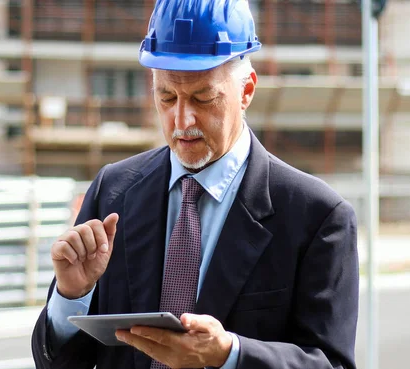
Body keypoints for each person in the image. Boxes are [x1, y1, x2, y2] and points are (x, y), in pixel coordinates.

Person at [32, 0, 359, 368]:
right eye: (167, 97)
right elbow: (59, 363)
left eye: (203, 98)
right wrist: (72, 295)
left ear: (247, 90)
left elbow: (331, 363)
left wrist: (230, 354)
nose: (181, 119)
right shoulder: (113, 191)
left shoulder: (317, 219)